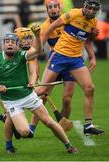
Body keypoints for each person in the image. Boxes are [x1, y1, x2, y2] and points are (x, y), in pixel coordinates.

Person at [0, 24, 78, 154]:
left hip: (29, 96)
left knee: (49, 121)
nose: (10, 44)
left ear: (17, 45)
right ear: (3, 45)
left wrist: (37, 35)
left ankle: (68, 145)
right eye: (7, 42)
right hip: (12, 102)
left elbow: (37, 50)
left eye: (13, 42)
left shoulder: (22, 55)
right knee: (24, 132)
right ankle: (10, 137)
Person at [36, 0, 105, 135]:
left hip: (76, 60)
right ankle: (12, 108)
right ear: (84, 7)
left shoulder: (93, 22)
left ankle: (88, 125)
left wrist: (92, 57)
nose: (90, 11)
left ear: (97, 11)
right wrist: (39, 48)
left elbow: (87, 42)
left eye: (93, 10)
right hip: (60, 56)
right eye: (89, 8)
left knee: (89, 88)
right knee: (43, 89)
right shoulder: (73, 14)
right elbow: (51, 28)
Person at [29, 0, 76, 134]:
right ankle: (32, 126)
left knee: (67, 99)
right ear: (47, 10)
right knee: (43, 95)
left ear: (60, 8)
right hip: (54, 61)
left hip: (71, 62)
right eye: (50, 8)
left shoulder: (69, 21)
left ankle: (63, 127)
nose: (53, 10)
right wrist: (35, 69)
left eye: (55, 7)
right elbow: (37, 49)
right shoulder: (44, 27)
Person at [0, 27, 39, 140]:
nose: (28, 41)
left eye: (30, 38)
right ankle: (10, 142)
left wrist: (33, 81)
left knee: (13, 113)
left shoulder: (28, 52)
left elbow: (33, 71)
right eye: (25, 38)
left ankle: (16, 129)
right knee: (11, 113)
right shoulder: (9, 52)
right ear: (18, 41)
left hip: (15, 85)